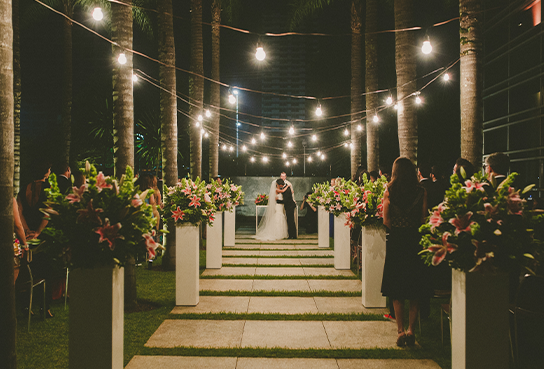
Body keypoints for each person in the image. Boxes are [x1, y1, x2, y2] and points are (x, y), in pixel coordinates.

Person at [381, 157, 431, 347]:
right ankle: (412, 330)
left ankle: (400, 330)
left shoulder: (389, 191)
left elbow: (386, 220)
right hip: (414, 241)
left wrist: (396, 230)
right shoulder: (421, 191)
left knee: (397, 287)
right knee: (414, 286)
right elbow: (423, 218)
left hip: (397, 241)